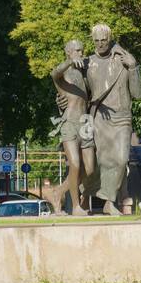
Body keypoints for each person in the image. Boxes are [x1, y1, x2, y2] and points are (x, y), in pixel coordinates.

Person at [83, 24, 141, 215]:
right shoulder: (87, 63)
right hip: (99, 117)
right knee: (101, 161)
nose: (100, 44)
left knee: (122, 159)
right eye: (96, 41)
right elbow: (79, 93)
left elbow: (138, 94)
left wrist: (133, 68)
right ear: (93, 41)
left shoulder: (123, 61)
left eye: (104, 40)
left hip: (122, 117)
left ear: (110, 39)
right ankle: (98, 200)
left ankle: (109, 199)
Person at [51, 40, 94, 215]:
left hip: (86, 122)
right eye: (76, 50)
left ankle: (59, 191)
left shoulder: (84, 75)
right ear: (68, 52)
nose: (80, 53)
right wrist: (70, 62)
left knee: (90, 169)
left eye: (82, 50)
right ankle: (75, 206)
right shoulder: (62, 76)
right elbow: (54, 73)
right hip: (69, 123)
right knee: (75, 164)